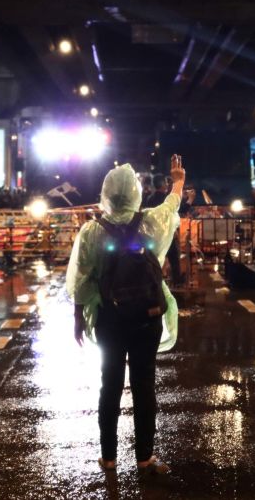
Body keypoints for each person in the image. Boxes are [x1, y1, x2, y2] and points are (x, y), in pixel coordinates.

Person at [67, 155, 184, 476]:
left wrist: (79, 318)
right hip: (147, 318)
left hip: (110, 320)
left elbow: (81, 279)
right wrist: (178, 180)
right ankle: (145, 457)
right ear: (136, 193)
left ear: (106, 193)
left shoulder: (92, 231)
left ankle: (109, 458)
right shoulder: (150, 223)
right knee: (144, 385)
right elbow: (172, 205)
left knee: (110, 385)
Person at [143, 175, 182, 282]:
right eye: (165, 182)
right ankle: (177, 281)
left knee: (154, 258)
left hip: (153, 233)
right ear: (162, 184)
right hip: (167, 232)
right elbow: (172, 213)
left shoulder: (149, 198)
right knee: (174, 258)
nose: (167, 184)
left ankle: (155, 279)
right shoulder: (165, 199)